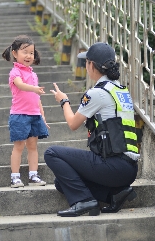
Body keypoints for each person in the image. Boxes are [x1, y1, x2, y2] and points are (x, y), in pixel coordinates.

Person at [44, 42, 139, 217]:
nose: (85, 66)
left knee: (51, 153)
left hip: (113, 166)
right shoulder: (121, 90)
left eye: (86, 62)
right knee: (61, 182)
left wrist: (63, 101)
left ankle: (84, 201)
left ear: (91, 65)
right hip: (130, 168)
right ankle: (114, 195)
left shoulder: (97, 93)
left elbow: (73, 124)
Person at [2, 35, 49, 188]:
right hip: (20, 115)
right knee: (19, 146)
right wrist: (35, 88)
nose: (29, 56)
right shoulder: (15, 73)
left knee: (33, 146)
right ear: (15, 53)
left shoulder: (33, 74)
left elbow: (37, 98)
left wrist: (42, 115)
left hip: (34, 115)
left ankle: (33, 175)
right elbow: (20, 85)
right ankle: (15, 177)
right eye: (25, 52)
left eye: (32, 52)